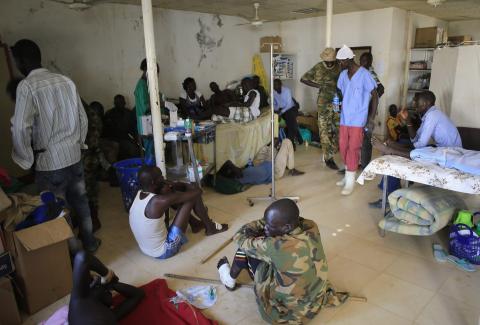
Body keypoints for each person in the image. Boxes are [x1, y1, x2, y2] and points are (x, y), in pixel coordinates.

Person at [10, 39, 100, 252]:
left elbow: (21, 127)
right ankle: (90, 243)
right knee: (81, 202)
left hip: (49, 162)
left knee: (58, 209)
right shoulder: (65, 80)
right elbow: (82, 119)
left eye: (16, 60)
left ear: (22, 60)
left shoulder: (27, 86)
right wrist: (78, 144)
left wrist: (25, 157)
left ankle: (72, 254)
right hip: (73, 155)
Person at [217, 199, 340, 324]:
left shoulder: (277, 246)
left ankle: (229, 280)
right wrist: (270, 223)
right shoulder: (311, 225)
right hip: (313, 301)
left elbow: (239, 237)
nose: (265, 227)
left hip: (288, 311)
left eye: (270, 225)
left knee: (245, 250)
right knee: (264, 242)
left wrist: (260, 224)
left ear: (287, 227)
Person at [370, 91, 462, 207]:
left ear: (425, 103)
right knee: (399, 143)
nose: (414, 103)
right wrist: (407, 119)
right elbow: (415, 139)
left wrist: (397, 149)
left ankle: (390, 152)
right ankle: (390, 151)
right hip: (441, 150)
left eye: (416, 100)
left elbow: (420, 145)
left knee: (396, 153)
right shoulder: (429, 115)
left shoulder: (433, 116)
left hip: (450, 154)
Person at [129, 165, 228, 259]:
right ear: (153, 182)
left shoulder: (139, 194)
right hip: (164, 251)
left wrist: (170, 186)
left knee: (172, 195)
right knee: (191, 196)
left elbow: (170, 195)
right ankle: (210, 227)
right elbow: (198, 191)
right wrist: (177, 184)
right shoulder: (158, 201)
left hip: (146, 249)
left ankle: (195, 224)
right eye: (161, 176)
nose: (163, 178)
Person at [335, 45, 378, 196]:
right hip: (345, 117)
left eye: (341, 61)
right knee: (342, 146)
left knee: (353, 147)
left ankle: (350, 181)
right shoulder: (343, 75)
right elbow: (341, 93)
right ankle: (348, 173)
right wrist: (338, 106)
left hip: (358, 118)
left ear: (349, 59)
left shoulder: (364, 74)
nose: (340, 64)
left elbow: (375, 95)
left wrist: (371, 118)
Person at [68, 251, 145, 325]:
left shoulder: (80, 300)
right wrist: (108, 277)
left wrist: (111, 281)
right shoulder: (80, 300)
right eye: (107, 289)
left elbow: (138, 294)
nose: (110, 292)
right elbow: (82, 257)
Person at [301, 47, 342, 170]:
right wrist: (318, 85)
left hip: (336, 102)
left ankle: (333, 149)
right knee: (323, 130)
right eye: (328, 60)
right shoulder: (318, 67)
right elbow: (303, 79)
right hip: (323, 103)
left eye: (332, 61)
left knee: (339, 128)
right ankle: (328, 157)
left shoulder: (339, 66)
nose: (330, 63)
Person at [218, 138, 304, 185]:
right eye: (233, 166)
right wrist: (273, 150)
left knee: (266, 146)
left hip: (263, 164)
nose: (234, 165)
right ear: (232, 174)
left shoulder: (243, 172)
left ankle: (274, 147)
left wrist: (271, 147)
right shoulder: (245, 175)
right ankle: (292, 169)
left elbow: (255, 166)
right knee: (287, 142)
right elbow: (267, 170)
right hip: (274, 170)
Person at [82, 100, 106, 232]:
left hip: (86, 152)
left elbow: (95, 125)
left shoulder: (75, 101)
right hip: (77, 153)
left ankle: (93, 219)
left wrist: (90, 147)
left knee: (89, 187)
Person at [359, 52, 385, 169]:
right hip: (362, 111)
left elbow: (381, 88)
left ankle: (365, 165)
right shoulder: (362, 72)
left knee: (366, 137)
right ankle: (361, 162)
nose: (363, 63)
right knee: (361, 137)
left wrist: (371, 101)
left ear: (370, 62)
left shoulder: (370, 72)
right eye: (362, 60)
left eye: (366, 61)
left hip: (369, 112)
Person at [134, 58, 160, 160]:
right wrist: (160, 104)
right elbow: (146, 107)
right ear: (147, 69)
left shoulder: (146, 84)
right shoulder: (141, 85)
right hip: (145, 124)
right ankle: (150, 173)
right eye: (155, 72)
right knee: (150, 153)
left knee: (154, 150)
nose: (156, 75)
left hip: (149, 122)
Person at [103, 94, 139, 160]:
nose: (120, 104)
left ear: (124, 103)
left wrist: (135, 139)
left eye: (121, 102)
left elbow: (133, 128)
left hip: (127, 138)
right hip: (114, 139)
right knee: (130, 147)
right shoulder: (109, 114)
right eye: (117, 103)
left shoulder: (129, 113)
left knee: (135, 147)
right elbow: (107, 131)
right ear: (114, 103)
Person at [273, 79, 302, 148]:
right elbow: (274, 104)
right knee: (276, 119)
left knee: (290, 120)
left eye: (276, 84)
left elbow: (289, 104)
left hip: (291, 108)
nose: (275, 86)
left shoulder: (286, 91)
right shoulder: (273, 93)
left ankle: (291, 143)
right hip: (282, 110)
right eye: (274, 85)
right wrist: (276, 110)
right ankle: (298, 139)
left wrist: (281, 112)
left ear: (280, 84)